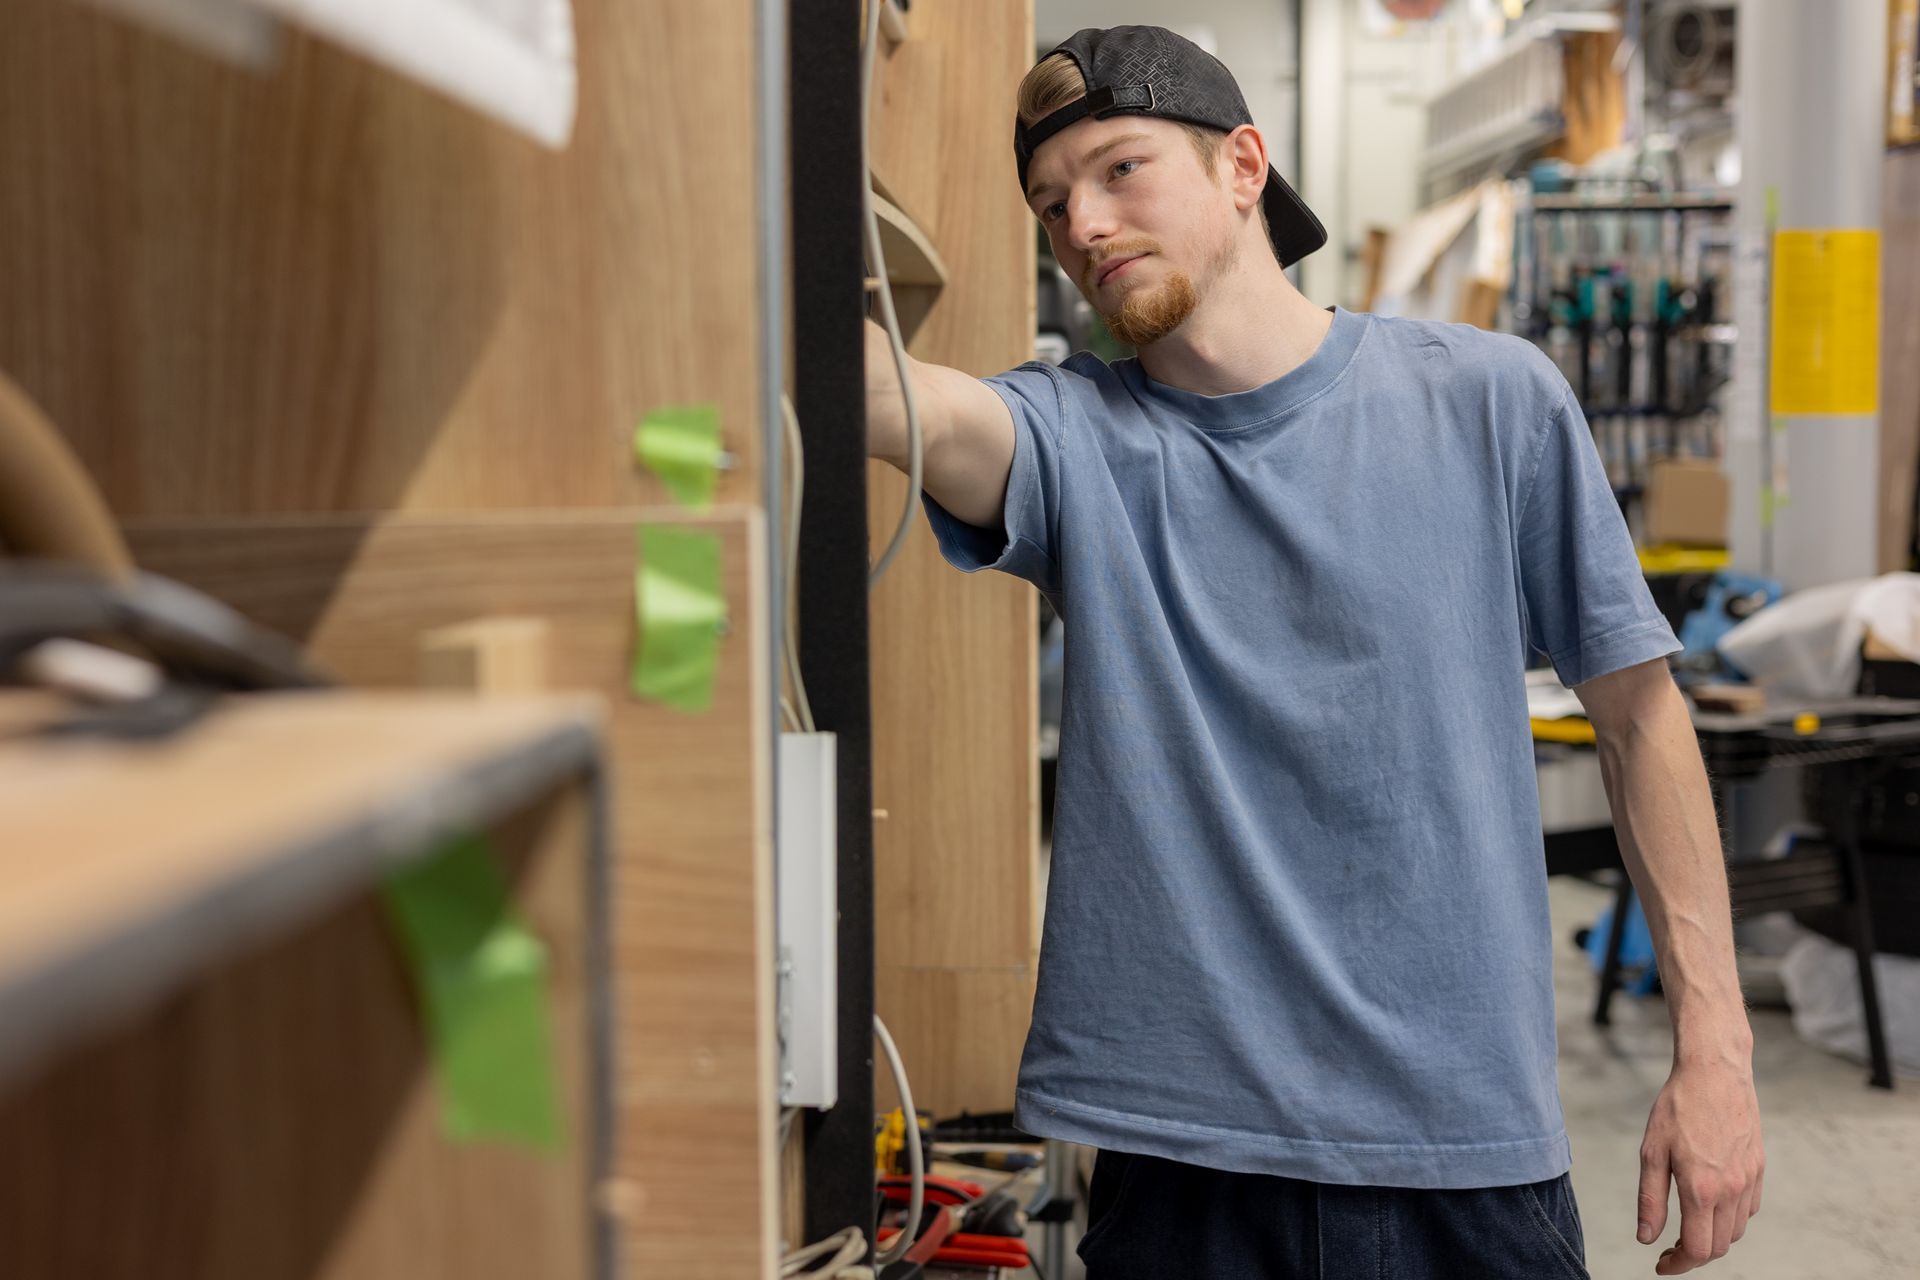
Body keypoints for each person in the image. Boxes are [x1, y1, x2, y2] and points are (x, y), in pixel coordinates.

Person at [863, 25, 1763, 1279]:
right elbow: (898, 397)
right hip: (1181, 1178)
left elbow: (1641, 717)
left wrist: (1716, 1051)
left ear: (1245, 165)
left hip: (1466, 1160)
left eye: (1121, 169)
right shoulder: (1076, 436)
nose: (1084, 224)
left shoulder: (1490, 398)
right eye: (1053, 201)